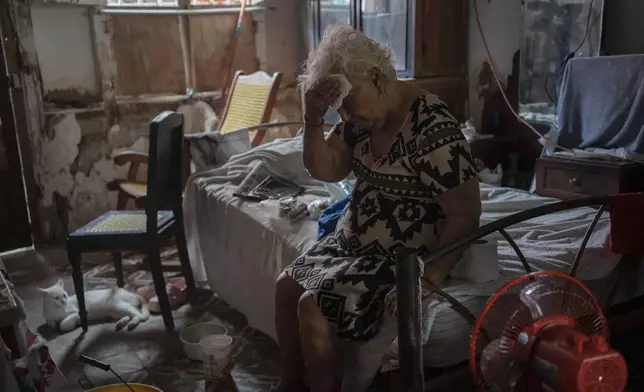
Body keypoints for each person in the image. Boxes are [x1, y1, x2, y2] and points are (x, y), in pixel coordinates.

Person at [273, 23, 482, 392]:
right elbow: (327, 167)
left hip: (400, 260)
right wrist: (312, 120)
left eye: (349, 107)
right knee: (285, 287)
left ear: (376, 77)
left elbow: (466, 213)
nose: (348, 118)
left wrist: (427, 280)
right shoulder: (362, 117)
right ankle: (290, 385)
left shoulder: (431, 127)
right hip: (351, 244)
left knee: (312, 307)